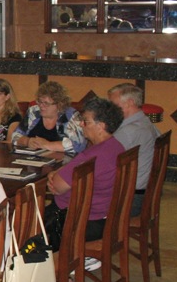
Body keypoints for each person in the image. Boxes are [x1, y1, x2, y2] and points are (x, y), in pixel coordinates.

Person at [46, 97, 126, 251]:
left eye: (86, 122)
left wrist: (56, 175)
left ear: (101, 126)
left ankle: (60, 259)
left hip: (81, 221)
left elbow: (57, 186)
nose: (81, 125)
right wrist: (59, 173)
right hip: (104, 215)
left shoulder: (92, 156)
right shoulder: (115, 146)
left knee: (25, 223)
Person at [108, 83, 161, 216]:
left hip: (130, 200)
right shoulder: (146, 123)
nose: (109, 109)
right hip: (143, 194)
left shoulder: (128, 131)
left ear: (129, 103)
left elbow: (103, 162)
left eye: (113, 104)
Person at [12, 81, 87, 154]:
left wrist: (47, 145)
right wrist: (28, 141)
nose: (41, 106)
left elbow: (79, 145)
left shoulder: (70, 115)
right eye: (39, 101)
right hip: (30, 158)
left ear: (59, 104)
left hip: (61, 160)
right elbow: (15, 135)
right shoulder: (34, 111)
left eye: (46, 103)